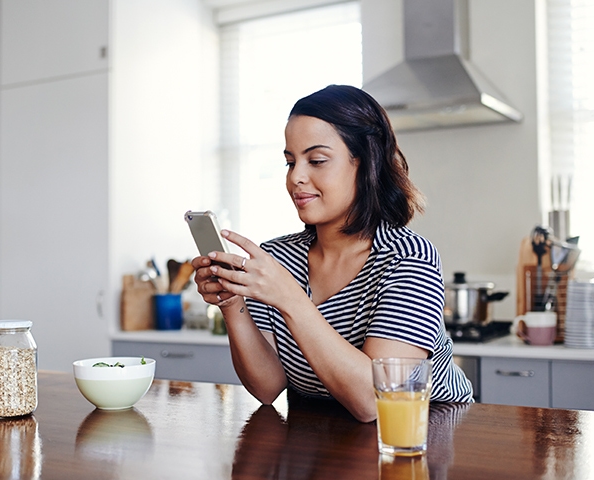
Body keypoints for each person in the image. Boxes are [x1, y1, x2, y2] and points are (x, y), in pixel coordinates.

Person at [191, 84, 473, 422]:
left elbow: (377, 402)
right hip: (330, 440)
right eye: (290, 162)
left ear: (365, 162)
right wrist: (231, 301)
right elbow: (267, 387)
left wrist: (290, 298)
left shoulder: (408, 257)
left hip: (425, 434)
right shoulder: (278, 258)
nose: (296, 177)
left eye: (317, 160)